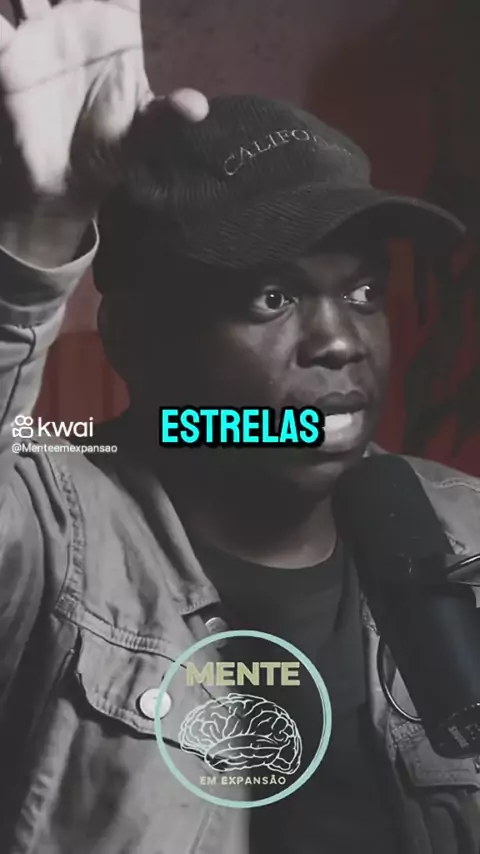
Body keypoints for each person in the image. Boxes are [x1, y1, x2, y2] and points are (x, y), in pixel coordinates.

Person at [0, 2, 479, 853]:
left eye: (363, 292)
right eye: (273, 296)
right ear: (134, 339)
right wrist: (35, 235)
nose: (340, 341)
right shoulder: (54, 524)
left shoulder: (462, 527)